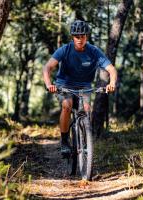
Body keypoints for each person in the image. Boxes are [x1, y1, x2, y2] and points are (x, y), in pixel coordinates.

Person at [43, 20, 117, 155]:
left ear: (86, 37)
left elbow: (111, 69)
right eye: (77, 36)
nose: (80, 39)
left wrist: (112, 84)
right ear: (72, 37)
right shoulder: (65, 50)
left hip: (84, 86)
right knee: (67, 105)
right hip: (64, 84)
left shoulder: (93, 51)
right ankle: (64, 142)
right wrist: (49, 85)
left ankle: (84, 141)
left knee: (87, 109)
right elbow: (47, 68)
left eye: (82, 36)